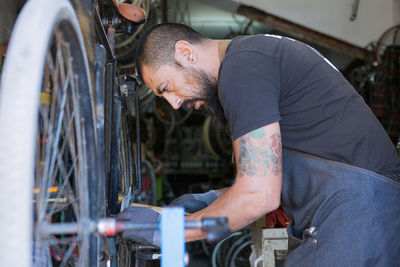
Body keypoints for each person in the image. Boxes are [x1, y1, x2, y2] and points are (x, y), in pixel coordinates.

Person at [117, 23, 400, 266]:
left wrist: (171, 230)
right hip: (358, 214)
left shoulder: (241, 69)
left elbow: (259, 197)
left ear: (186, 53)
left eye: (166, 87)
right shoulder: (255, 57)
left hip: (355, 218)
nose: (174, 104)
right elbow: (267, 185)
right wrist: (213, 201)